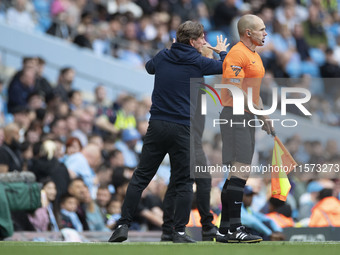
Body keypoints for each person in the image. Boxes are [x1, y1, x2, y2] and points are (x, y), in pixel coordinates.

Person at [108, 20, 228, 243]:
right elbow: (224, 67)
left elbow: (149, 67)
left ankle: (122, 225)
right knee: (183, 182)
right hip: (183, 128)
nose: (205, 41)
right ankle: (179, 232)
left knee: (141, 177)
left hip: (157, 125)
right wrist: (221, 52)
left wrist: (171, 48)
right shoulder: (198, 61)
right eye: (201, 38)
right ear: (192, 41)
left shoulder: (164, 55)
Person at [219, 14, 274, 243]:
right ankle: (235, 228)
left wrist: (264, 116)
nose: (265, 33)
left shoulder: (254, 56)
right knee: (240, 171)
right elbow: (234, 90)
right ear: (248, 33)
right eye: (261, 29)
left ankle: (224, 229)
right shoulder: (237, 54)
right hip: (235, 115)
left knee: (237, 173)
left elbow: (252, 91)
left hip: (247, 116)